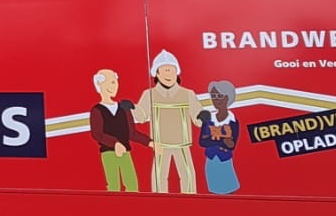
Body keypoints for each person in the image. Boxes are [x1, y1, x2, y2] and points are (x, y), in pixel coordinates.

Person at [133, 50, 203, 194]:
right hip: (160, 143)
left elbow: (198, 118)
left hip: (182, 143)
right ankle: (158, 205)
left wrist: (204, 117)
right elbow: (141, 116)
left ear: (177, 73)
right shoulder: (149, 95)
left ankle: (191, 204)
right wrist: (132, 108)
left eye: (171, 71)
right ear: (156, 74)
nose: (168, 75)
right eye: (164, 71)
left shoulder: (187, 94)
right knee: (159, 177)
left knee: (187, 175)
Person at [88, 69, 140, 193]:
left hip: (126, 152)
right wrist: (115, 143)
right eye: (111, 82)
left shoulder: (123, 107)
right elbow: (97, 134)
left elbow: (132, 133)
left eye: (115, 82)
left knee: (132, 185)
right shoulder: (97, 110)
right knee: (113, 187)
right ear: (100, 85)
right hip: (108, 154)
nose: (115, 85)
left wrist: (150, 142)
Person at [198, 80, 242, 196]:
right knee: (214, 194)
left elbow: (232, 145)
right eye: (213, 96)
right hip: (211, 161)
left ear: (227, 97)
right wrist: (222, 139)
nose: (215, 99)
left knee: (229, 192)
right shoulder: (208, 118)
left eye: (219, 96)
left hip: (225, 162)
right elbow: (202, 142)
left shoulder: (233, 121)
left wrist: (213, 137)